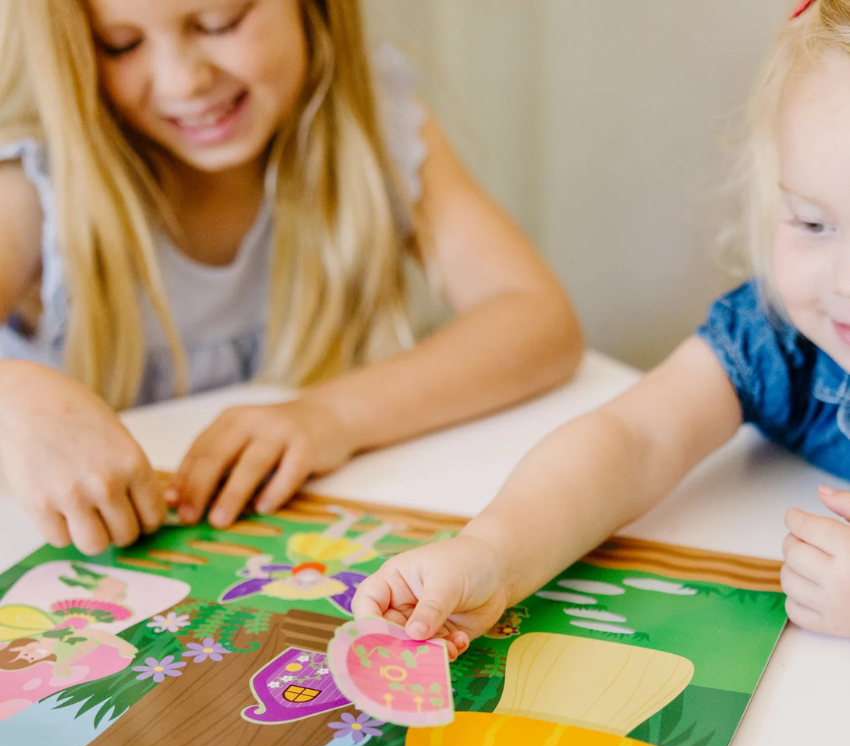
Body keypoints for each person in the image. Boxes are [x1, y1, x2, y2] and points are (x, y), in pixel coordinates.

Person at [0, 0, 582, 556]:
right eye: (120, 44)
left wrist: (332, 416)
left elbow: (536, 316)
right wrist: (14, 398)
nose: (182, 81)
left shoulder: (373, 122)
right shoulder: (35, 186)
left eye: (219, 22)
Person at [354, 0, 850, 651]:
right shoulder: (781, 338)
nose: (842, 281)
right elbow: (635, 438)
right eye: (813, 223)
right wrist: (491, 556)